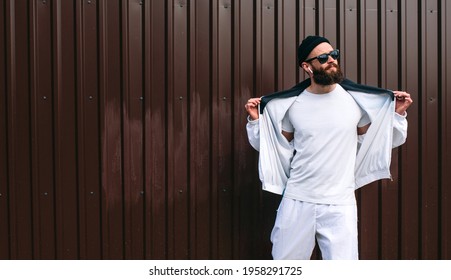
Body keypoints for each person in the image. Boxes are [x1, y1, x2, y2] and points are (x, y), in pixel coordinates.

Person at [245, 35, 413, 260]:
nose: (332, 60)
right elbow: (275, 147)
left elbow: (373, 141)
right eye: (323, 57)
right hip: (297, 199)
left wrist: (397, 114)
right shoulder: (292, 105)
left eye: (334, 54)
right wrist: (257, 121)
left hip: (339, 203)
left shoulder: (355, 101)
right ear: (307, 66)